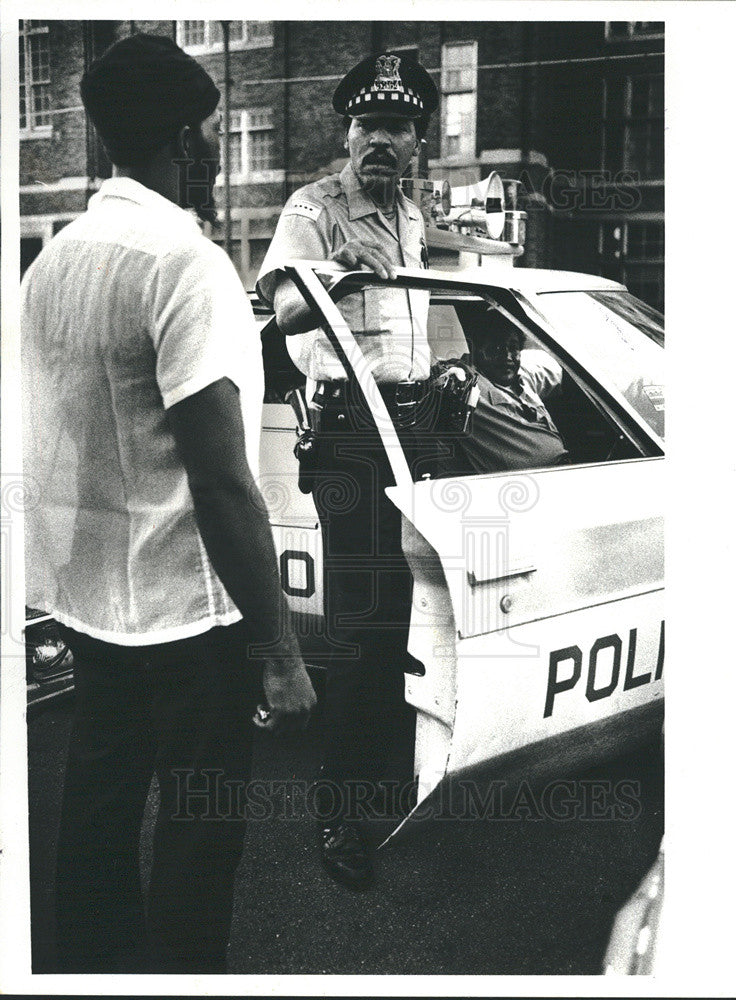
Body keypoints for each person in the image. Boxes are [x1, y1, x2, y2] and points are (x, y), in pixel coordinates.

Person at [21, 33, 316, 974]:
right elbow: (223, 481)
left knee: (98, 818)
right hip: (191, 621)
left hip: (96, 609)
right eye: (212, 140)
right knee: (198, 838)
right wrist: (278, 652)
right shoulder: (186, 267)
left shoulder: (52, 266)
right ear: (189, 142)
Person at [256, 52, 439, 889]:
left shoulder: (413, 209)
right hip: (351, 437)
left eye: (396, 127)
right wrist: (337, 275)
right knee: (362, 627)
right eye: (367, 126)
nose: (380, 142)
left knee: (407, 616)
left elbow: (422, 319)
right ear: (347, 131)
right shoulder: (315, 207)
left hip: (417, 425)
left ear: (416, 139)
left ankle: (386, 778)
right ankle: (341, 811)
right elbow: (282, 305)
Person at [443, 316, 570, 474]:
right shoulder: (469, 383)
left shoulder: (526, 376)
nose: (507, 356)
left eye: (513, 347)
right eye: (495, 349)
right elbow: (445, 373)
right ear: (476, 350)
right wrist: (457, 370)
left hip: (564, 469)